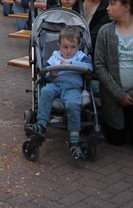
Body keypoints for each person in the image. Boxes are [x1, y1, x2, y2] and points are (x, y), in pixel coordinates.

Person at [94, 0, 133, 149]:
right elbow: (100, 66)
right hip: (113, 96)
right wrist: (119, 94)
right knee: (116, 139)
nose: (108, 8)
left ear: (126, 7)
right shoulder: (105, 31)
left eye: (113, 4)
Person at [24, 26, 93, 160]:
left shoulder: (81, 57)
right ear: (59, 46)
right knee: (45, 91)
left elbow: (89, 68)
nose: (68, 51)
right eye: (65, 47)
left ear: (79, 46)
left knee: (73, 104)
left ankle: (74, 139)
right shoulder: (54, 57)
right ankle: (41, 124)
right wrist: (51, 73)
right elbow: (45, 72)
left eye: (72, 47)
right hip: (55, 84)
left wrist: (75, 65)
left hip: (72, 87)